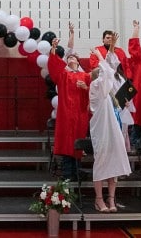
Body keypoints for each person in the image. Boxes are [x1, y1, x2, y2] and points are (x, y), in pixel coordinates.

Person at [87, 47, 132, 213]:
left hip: (115, 130)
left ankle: (111, 198)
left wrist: (123, 106)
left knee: (115, 162)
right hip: (102, 130)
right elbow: (107, 71)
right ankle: (98, 199)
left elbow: (110, 72)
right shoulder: (96, 86)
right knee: (101, 162)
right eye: (99, 71)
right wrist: (99, 55)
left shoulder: (110, 95)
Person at [47, 33, 91, 182]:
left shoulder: (85, 77)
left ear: (78, 62)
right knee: (67, 143)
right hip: (66, 114)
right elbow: (53, 66)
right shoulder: (63, 75)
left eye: (73, 58)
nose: (71, 58)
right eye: (69, 58)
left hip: (80, 114)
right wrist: (53, 49)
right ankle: (67, 175)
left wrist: (86, 87)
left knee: (78, 142)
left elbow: (95, 94)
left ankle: (77, 173)